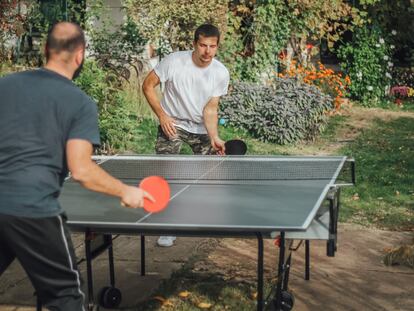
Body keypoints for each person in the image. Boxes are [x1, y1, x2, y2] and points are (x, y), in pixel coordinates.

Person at [0, 22, 153, 311]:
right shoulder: (79, 102)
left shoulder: (4, 85)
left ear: (46, 49)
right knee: (66, 297)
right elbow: (81, 169)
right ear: (80, 55)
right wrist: (124, 191)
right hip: (33, 210)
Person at [142, 24, 230, 247]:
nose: (207, 51)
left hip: (200, 127)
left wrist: (214, 136)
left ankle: (201, 216)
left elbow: (210, 109)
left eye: (212, 46)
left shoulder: (220, 72)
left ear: (217, 46)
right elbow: (148, 86)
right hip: (173, 124)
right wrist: (162, 115)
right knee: (168, 176)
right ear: (194, 44)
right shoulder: (174, 61)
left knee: (212, 175)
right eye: (203, 45)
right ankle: (168, 227)